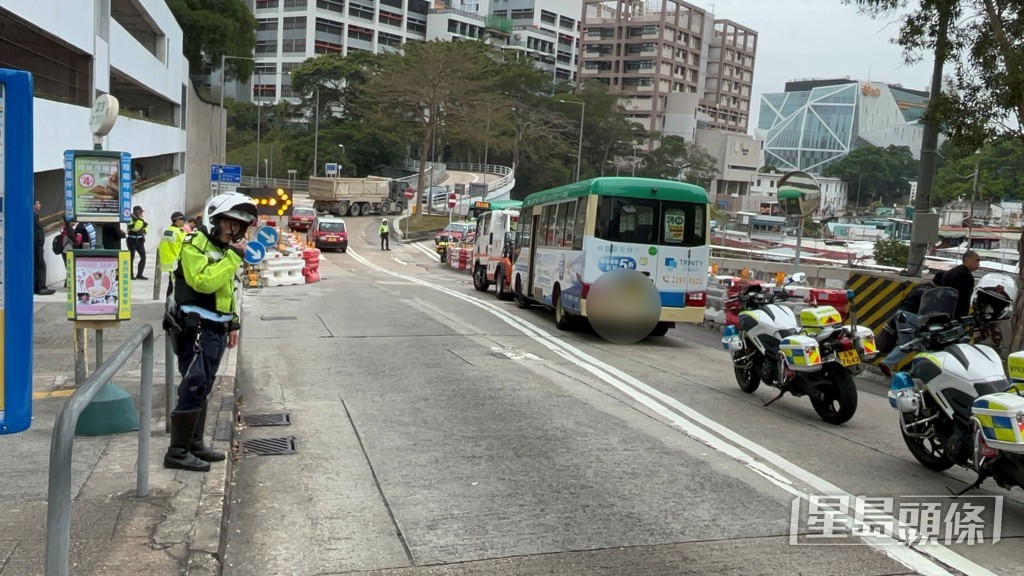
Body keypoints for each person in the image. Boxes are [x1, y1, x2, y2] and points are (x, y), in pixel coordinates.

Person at [163, 192, 256, 472]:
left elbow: (227, 290)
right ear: (214, 220)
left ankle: (195, 444)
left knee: (203, 387)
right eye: (229, 224)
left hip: (215, 326)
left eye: (239, 226)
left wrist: (232, 323)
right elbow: (203, 282)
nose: (234, 230)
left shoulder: (223, 249)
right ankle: (177, 451)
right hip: (194, 327)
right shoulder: (195, 245)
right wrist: (233, 260)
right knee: (193, 384)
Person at [880, 272, 944, 376]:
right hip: (914, 316)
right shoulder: (933, 292)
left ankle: (887, 363)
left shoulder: (920, 286)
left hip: (900, 313)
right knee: (921, 343)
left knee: (906, 344)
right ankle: (916, 371)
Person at [940, 250, 981, 319]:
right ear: (967, 259)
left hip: (943, 311)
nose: (978, 264)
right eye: (977, 260)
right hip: (957, 314)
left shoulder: (950, 272)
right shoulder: (967, 276)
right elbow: (965, 300)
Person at [158, 211, 188, 295]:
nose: (184, 222)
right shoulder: (180, 232)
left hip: (168, 261)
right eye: (183, 220)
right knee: (176, 286)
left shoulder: (166, 230)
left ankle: (169, 301)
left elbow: (160, 246)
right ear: (177, 220)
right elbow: (186, 247)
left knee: (171, 284)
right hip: (176, 262)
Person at [33, 200, 55, 295]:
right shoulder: (34, 216)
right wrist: (39, 243)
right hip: (37, 245)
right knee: (40, 265)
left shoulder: (35, 216)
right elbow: (37, 231)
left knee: (39, 265)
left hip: (37, 244)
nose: (40, 205)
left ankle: (38, 286)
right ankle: (40, 287)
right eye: (38, 203)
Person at [127, 205, 149, 280]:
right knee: (131, 258)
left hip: (140, 240)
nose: (141, 213)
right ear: (136, 211)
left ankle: (140, 274)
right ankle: (130, 274)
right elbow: (135, 228)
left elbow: (145, 227)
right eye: (140, 211)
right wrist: (140, 220)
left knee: (143, 257)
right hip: (132, 240)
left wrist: (144, 231)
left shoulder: (141, 220)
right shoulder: (130, 218)